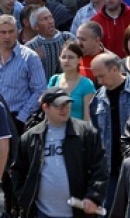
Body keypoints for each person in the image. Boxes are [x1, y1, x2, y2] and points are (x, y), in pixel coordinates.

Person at [12, 87, 107, 218]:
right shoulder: (30, 138)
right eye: (59, 105)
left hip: (79, 213)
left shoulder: (86, 133)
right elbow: (18, 171)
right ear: (45, 107)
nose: (64, 109)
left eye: (67, 104)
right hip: (41, 212)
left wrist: (93, 197)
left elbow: (100, 168)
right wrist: (24, 197)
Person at [89, 52, 130, 209]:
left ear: (115, 69)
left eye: (102, 76)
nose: (99, 82)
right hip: (110, 169)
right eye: (96, 78)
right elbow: (96, 133)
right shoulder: (98, 98)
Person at [0, 13, 45, 127]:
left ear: (17, 31)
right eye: (3, 32)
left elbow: (40, 90)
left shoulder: (30, 57)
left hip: (17, 118)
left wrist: (22, 117)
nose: (7, 36)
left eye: (11, 31)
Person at [47, 41, 96, 120]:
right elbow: (48, 111)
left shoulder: (87, 84)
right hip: (55, 130)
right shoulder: (54, 80)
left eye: (71, 57)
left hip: (76, 131)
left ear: (79, 60)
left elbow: (88, 117)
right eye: (63, 57)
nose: (66, 60)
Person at [25, 6, 75, 77]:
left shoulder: (68, 38)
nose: (50, 21)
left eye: (51, 17)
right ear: (36, 27)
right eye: (45, 19)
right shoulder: (30, 47)